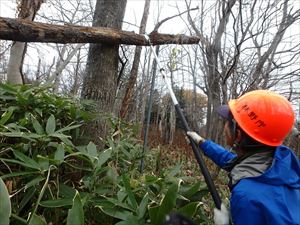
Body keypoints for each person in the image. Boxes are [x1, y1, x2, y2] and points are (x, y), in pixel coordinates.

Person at [186, 90, 300, 225]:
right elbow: (232, 161)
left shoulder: (246, 196)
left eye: (227, 123)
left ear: (238, 135)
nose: (225, 127)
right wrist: (202, 143)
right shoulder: (285, 165)